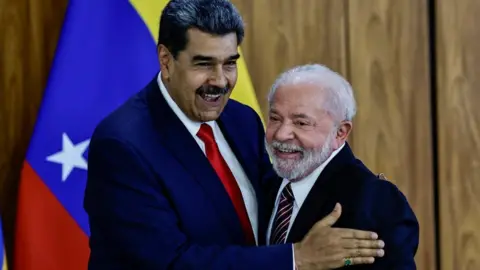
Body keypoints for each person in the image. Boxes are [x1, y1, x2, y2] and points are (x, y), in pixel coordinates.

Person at [84, 0, 385, 269]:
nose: (220, 81)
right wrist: (296, 258)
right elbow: (170, 262)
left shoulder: (240, 118)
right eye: (204, 64)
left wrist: (359, 192)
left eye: (229, 63)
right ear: (166, 61)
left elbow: (280, 194)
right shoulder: (122, 144)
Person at [264, 64, 419, 269]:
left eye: (301, 123)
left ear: (340, 133)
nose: (281, 134)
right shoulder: (264, 183)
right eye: (275, 118)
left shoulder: (375, 201)